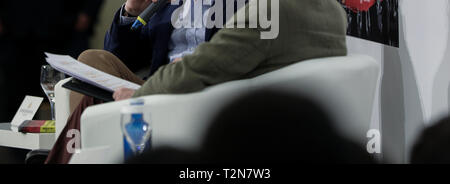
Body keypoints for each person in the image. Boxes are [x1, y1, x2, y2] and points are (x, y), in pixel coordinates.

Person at [45, 0, 248, 164]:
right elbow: (122, 60)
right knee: (91, 62)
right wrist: (131, 13)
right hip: (154, 94)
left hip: (207, 95)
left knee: (90, 101)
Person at [126, 89, 375, 164]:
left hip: (194, 96)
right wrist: (131, 14)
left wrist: (142, 91)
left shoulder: (262, 12)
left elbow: (202, 68)